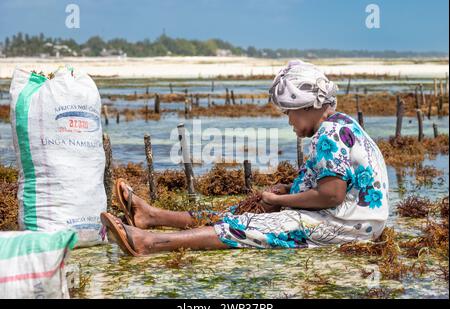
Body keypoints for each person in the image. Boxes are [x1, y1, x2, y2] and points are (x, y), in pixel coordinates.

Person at [101, 60, 389, 256]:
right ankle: (151, 216)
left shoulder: (329, 134)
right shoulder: (342, 125)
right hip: (352, 220)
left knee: (246, 227)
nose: (289, 120)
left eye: (289, 112)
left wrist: (278, 202)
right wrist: (290, 191)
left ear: (306, 105)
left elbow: (331, 195)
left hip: (346, 226)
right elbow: (337, 184)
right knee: (240, 211)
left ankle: (149, 243)